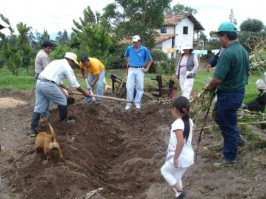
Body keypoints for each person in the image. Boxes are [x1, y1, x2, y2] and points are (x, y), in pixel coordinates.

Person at [205, 22, 250, 166]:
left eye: (219, 37)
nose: (219, 40)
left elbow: (217, 79)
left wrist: (208, 87)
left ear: (225, 36)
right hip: (238, 92)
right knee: (219, 116)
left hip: (229, 94)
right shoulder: (242, 50)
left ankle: (230, 157)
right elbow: (248, 72)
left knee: (227, 124)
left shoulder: (228, 53)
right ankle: (236, 138)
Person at [31, 52, 90, 137]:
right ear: (70, 60)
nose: (73, 65)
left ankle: (33, 130)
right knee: (62, 100)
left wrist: (66, 88)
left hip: (39, 82)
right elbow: (75, 84)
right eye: (73, 62)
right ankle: (63, 121)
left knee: (38, 106)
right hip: (48, 84)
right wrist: (84, 93)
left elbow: (55, 78)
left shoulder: (55, 62)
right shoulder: (67, 67)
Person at [161, 96, 194, 199]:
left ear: (175, 109)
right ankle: (179, 195)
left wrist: (175, 158)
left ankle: (180, 191)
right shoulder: (189, 121)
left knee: (164, 171)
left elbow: (180, 142)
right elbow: (191, 138)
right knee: (176, 177)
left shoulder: (177, 124)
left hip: (180, 157)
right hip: (189, 156)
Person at [124, 35, 153, 110]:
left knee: (139, 87)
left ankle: (137, 102)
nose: (134, 44)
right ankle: (129, 103)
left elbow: (150, 60)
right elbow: (126, 56)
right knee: (129, 86)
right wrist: (129, 62)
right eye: (133, 42)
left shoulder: (144, 49)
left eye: (136, 42)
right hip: (131, 69)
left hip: (140, 69)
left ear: (139, 42)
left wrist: (147, 69)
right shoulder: (129, 48)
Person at [34, 41, 54, 117]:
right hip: (42, 77)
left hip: (39, 76)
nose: (50, 50)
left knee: (43, 95)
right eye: (49, 48)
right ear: (44, 47)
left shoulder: (41, 53)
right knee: (46, 95)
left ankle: (44, 111)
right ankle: (45, 112)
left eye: (51, 48)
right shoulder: (43, 56)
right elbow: (47, 69)